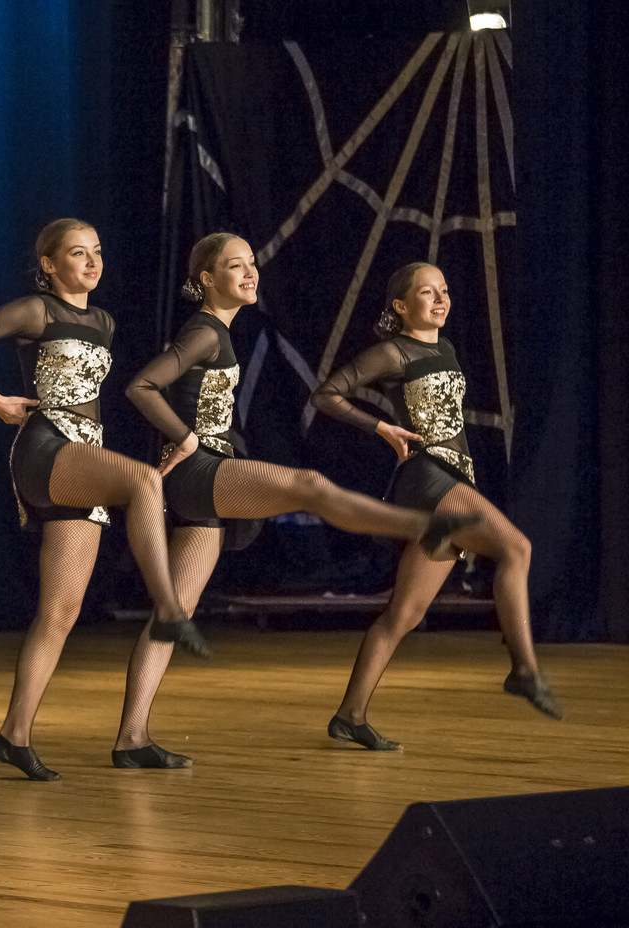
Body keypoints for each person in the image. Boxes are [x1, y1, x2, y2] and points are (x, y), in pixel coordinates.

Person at [118, 234, 477, 768]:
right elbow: (142, 386)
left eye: (252, 263)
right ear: (207, 280)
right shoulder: (205, 330)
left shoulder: (217, 331)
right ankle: (411, 523)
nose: (250, 272)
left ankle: (131, 739)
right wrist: (186, 438)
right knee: (308, 484)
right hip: (201, 471)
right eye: (235, 266)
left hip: (203, 482)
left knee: (175, 612)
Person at [0, 219, 210, 781]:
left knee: (61, 611)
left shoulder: (103, 321)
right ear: (49, 264)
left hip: (85, 456)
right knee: (144, 481)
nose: (92, 262)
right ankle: (168, 605)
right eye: (78, 254)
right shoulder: (36, 310)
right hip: (47, 447)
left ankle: (15, 734)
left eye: (97, 252)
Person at [309, 261, 559, 749]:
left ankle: (350, 715)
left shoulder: (445, 348)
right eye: (428, 293)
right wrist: (382, 427)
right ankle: (524, 669)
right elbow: (327, 395)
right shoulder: (393, 352)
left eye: (444, 290)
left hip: (453, 475)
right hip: (428, 475)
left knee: (403, 614)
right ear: (401, 306)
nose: (441, 299)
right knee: (517, 548)